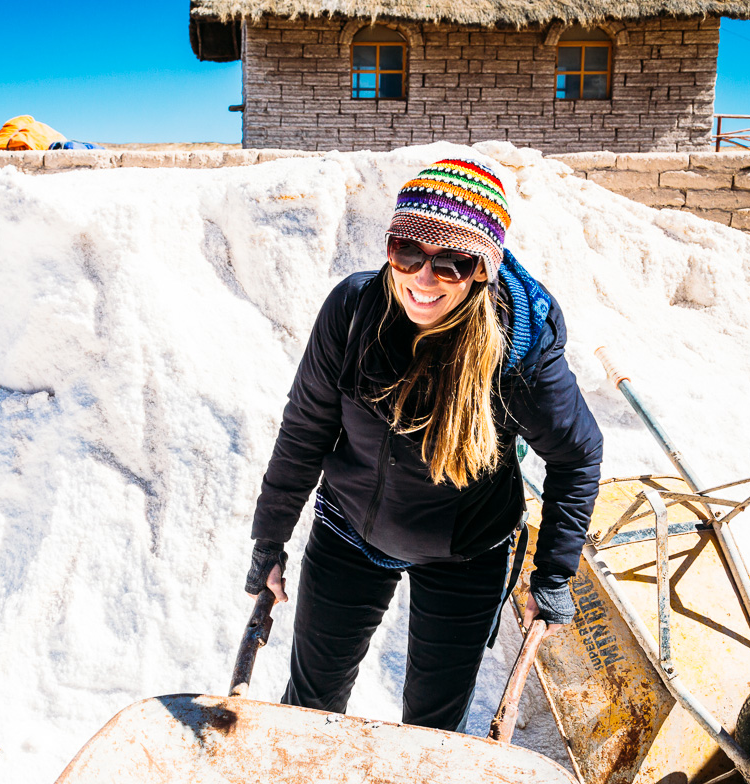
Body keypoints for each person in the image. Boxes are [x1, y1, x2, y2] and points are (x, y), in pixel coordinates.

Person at [244, 155, 603, 733]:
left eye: (452, 261)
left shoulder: (519, 352)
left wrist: (554, 573)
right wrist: (269, 539)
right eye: (407, 252)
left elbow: (577, 454)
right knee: (309, 707)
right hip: (350, 528)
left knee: (432, 731)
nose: (423, 277)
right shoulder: (355, 311)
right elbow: (305, 427)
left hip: (466, 550)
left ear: (483, 267)